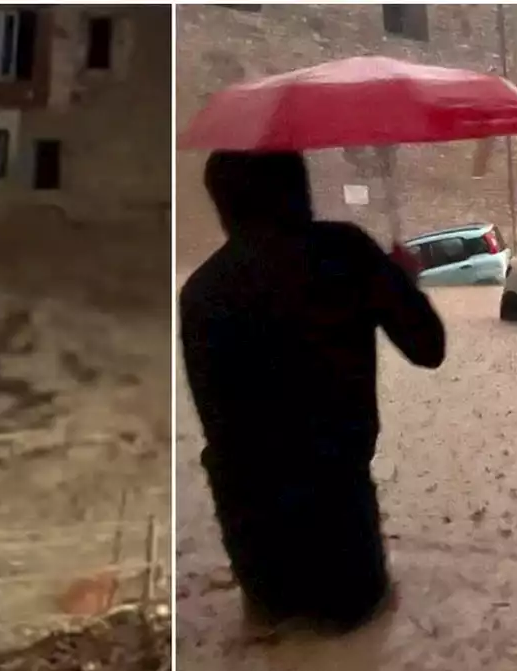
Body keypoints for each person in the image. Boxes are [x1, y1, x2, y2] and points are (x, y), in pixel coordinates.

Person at [179, 150, 446, 635]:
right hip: (340, 524)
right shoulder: (346, 253)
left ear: (222, 203)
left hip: (250, 531)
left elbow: (215, 420)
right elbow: (428, 348)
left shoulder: (201, 290)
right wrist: (404, 284)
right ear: (299, 188)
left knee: (273, 646)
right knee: (364, 641)